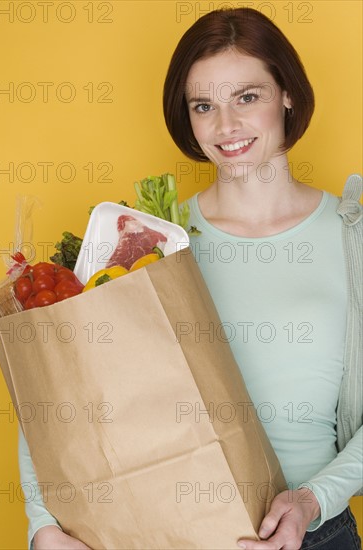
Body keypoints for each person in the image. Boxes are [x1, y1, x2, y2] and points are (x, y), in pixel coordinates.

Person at [19, 7, 362, 550]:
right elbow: (55, 383)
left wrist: (311, 500)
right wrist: (43, 526)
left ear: (288, 95)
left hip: (314, 536)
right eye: (205, 105)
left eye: (247, 97)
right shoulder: (148, 237)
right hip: (160, 535)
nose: (226, 126)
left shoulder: (352, 236)